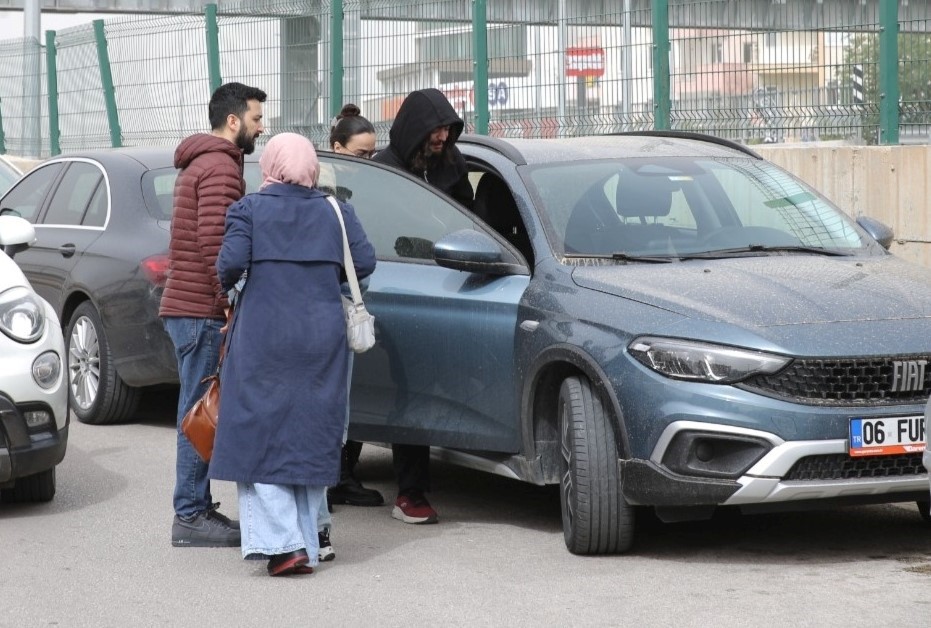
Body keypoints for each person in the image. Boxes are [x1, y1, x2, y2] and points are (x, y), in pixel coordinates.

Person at [210, 132, 376, 576]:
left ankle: (284, 545)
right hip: (322, 338)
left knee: (257, 431)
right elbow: (364, 263)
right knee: (309, 429)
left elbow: (229, 263)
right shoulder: (335, 211)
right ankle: (309, 540)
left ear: (270, 165)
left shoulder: (249, 209)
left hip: (264, 336)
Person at [160, 81, 266, 548]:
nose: (261, 127)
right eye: (257, 118)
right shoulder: (221, 168)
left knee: (195, 410)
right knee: (198, 414)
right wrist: (227, 299)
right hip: (200, 309)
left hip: (186, 306)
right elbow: (215, 246)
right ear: (233, 120)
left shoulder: (199, 162)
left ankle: (194, 506)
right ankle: (190, 515)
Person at [373, 88, 473, 525]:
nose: (441, 137)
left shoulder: (453, 164)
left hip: (455, 286)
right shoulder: (385, 172)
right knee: (406, 388)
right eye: (434, 129)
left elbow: (472, 220)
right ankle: (409, 491)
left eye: (447, 129)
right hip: (404, 289)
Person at [314, 104, 383, 563]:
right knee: (329, 409)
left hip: (324, 307)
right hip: (334, 307)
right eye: (362, 153)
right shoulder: (331, 199)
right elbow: (361, 260)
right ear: (337, 150)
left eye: (375, 153)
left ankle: (336, 483)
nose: (370, 161)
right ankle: (326, 495)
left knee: (336, 405)